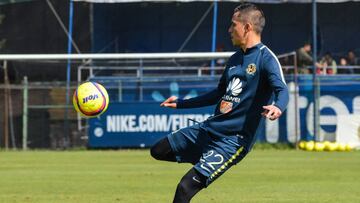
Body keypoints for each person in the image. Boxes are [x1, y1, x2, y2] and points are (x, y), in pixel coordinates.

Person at [150, 3, 289, 203]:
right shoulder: (234, 59)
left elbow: (282, 89)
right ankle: (204, 159)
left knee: (185, 187)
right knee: (158, 150)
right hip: (209, 130)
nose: (229, 29)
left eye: (233, 25)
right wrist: (182, 104)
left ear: (247, 27)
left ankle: (208, 162)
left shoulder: (266, 58)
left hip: (232, 142)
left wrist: (278, 106)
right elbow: (218, 94)